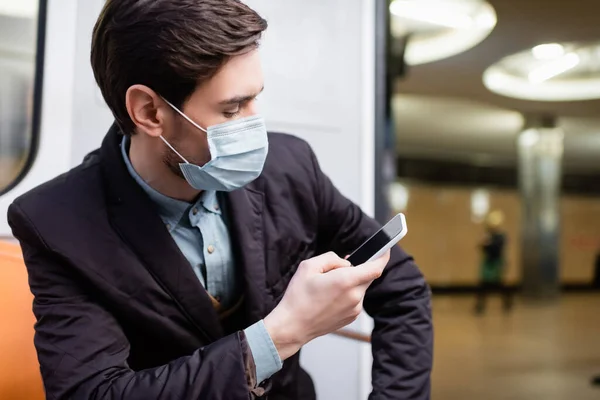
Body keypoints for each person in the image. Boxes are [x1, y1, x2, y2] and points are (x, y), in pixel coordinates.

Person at [6, 1, 432, 399]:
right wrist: (281, 333)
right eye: (232, 110)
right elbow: (96, 392)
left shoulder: (290, 166)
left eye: (255, 98)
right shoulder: (56, 223)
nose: (255, 126)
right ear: (150, 112)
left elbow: (403, 289)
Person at [474, 210, 512, 314]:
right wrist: (483, 244)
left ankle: (507, 302)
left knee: (499, 284)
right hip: (488, 262)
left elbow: (497, 249)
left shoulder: (500, 236)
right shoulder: (488, 235)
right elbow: (482, 248)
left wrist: (488, 244)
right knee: (484, 285)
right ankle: (480, 306)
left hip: (496, 262)